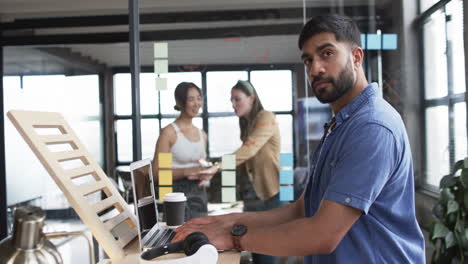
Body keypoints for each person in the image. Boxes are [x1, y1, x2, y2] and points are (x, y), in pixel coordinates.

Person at [173, 14, 425, 263]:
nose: (315, 68)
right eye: (308, 60)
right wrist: (227, 221)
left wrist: (232, 236)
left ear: (356, 57)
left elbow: (323, 234)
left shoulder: (371, 126)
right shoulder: (340, 124)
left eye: (327, 53)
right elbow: (303, 209)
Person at [230, 80, 285, 264]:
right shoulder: (246, 124)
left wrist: (217, 166)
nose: (233, 104)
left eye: (237, 99)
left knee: (267, 253)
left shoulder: (266, 117)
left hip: (270, 193)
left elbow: (249, 150)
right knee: (254, 251)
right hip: (252, 195)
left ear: (252, 98)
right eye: (231, 100)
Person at [152, 82, 216, 220]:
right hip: (176, 197)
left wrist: (205, 171)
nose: (197, 103)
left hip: (199, 196)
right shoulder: (170, 133)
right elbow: (158, 173)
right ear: (180, 102)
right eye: (191, 99)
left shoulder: (202, 135)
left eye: (199, 98)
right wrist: (186, 171)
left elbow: (201, 161)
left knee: (201, 237)